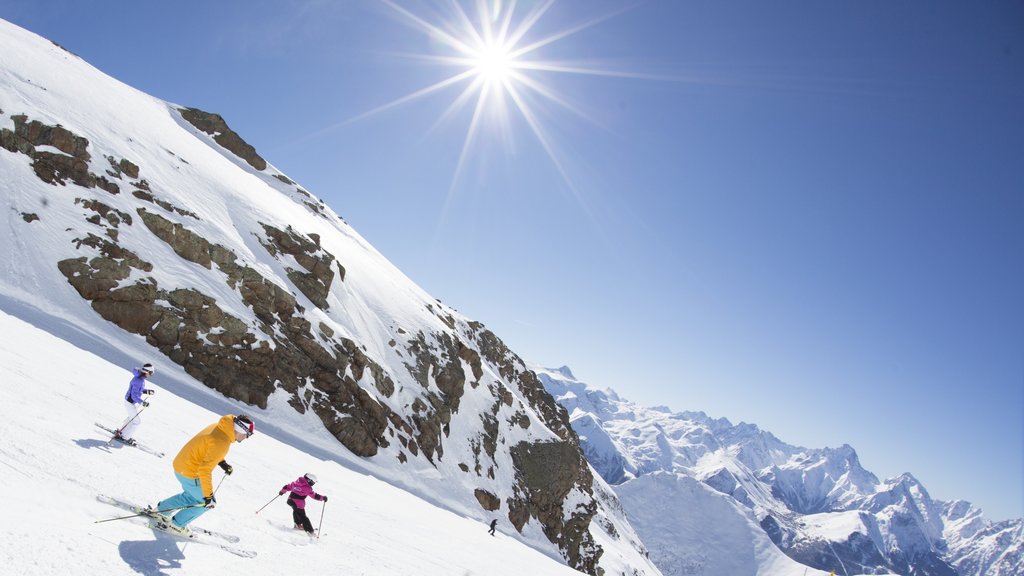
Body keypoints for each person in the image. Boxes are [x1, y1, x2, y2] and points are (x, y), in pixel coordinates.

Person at [150, 414, 255, 534]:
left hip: (181, 465)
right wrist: (208, 497)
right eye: (248, 434)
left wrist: (222, 463)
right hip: (189, 472)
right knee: (205, 503)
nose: (246, 438)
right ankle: (176, 525)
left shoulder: (219, 427)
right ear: (241, 429)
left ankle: (161, 511)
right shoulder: (223, 442)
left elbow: (208, 449)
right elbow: (205, 470)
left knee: (191, 496)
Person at [114, 363, 156, 446]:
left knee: (131, 418)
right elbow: (134, 396)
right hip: (130, 402)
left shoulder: (140, 378)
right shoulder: (139, 380)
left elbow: (138, 390)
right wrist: (143, 403)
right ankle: (125, 437)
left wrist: (146, 391)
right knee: (137, 421)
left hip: (129, 402)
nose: (150, 375)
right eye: (150, 373)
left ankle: (121, 432)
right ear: (146, 372)